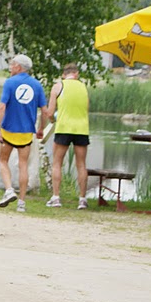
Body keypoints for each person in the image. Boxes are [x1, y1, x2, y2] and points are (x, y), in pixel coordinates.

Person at [0, 54, 48, 212]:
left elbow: (2, 107)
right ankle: (22, 203)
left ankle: (9, 190)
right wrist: (41, 129)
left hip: (9, 130)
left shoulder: (10, 83)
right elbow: (44, 111)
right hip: (26, 132)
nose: (10, 67)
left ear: (18, 67)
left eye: (12, 64)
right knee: (23, 165)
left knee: (3, 160)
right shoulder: (37, 85)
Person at [46, 63, 90, 209]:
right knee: (81, 164)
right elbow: (86, 108)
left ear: (64, 75)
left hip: (64, 127)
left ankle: (56, 197)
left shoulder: (58, 86)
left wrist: (53, 120)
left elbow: (50, 112)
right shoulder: (83, 87)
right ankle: (82, 199)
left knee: (57, 162)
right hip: (81, 129)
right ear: (76, 74)